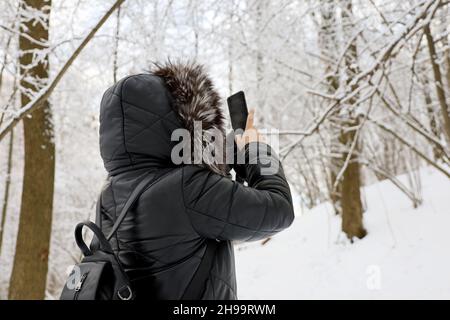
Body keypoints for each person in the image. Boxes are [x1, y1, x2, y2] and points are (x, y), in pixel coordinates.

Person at [98, 61, 294, 300]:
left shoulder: (108, 196)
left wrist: (227, 153)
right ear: (177, 120)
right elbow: (279, 208)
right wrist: (254, 149)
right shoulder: (186, 187)